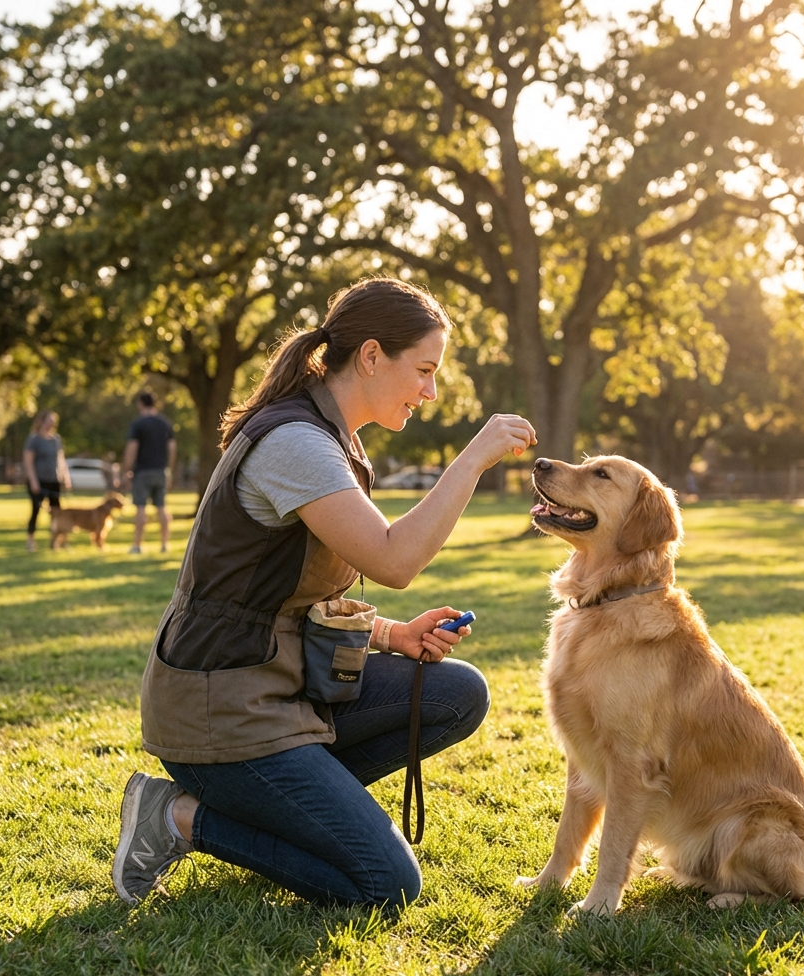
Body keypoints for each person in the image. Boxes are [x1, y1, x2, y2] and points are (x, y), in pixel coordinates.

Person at [112, 278, 537, 909]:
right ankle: (175, 816)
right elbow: (393, 560)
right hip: (221, 710)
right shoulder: (297, 442)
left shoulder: (334, 438)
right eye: (424, 370)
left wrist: (392, 635)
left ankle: (291, 815)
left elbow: (297, 597)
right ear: (371, 356)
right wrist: (471, 459)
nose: (430, 391)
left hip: (283, 689)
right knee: (387, 884)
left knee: (457, 693)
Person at [122, 392, 176, 554]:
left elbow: (132, 448)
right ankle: (164, 544)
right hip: (160, 471)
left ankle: (137, 545)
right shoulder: (165, 423)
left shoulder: (138, 424)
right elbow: (172, 448)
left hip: (142, 472)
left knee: (140, 507)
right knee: (161, 507)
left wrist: (126, 470)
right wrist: (169, 469)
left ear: (140, 403)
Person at [22, 410, 72, 552]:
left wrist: (65, 477)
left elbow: (60, 459)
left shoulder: (56, 439)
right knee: (36, 510)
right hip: (39, 480)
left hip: (54, 480)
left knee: (58, 513)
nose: (52, 423)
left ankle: (57, 542)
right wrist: (34, 481)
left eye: (53, 421)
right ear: (42, 421)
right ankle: (31, 540)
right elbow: (28, 462)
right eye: (49, 420)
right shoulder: (34, 439)